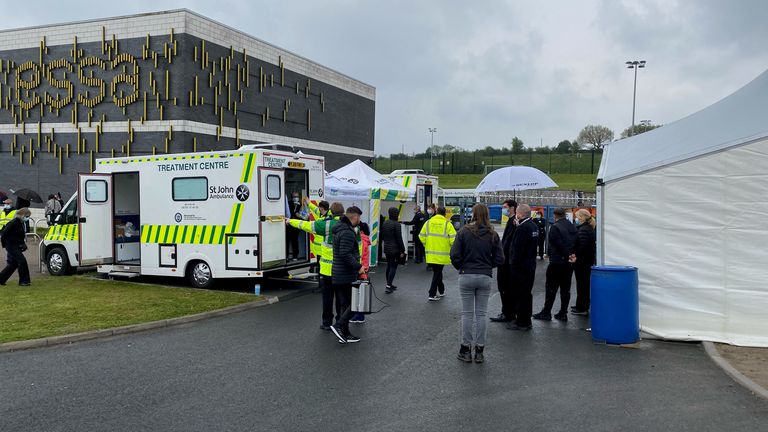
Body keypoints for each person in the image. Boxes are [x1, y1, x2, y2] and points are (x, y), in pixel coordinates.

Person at [450, 204, 504, 363]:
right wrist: (488, 266)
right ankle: (480, 350)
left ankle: (465, 349)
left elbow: (454, 254)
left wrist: (461, 266)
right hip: (484, 275)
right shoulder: (493, 234)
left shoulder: (464, 232)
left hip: (466, 274)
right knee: (482, 314)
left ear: (473, 214)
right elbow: (500, 258)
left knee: (467, 314)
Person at [286, 202, 345, 330]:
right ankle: (340, 323)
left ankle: (327, 323)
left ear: (331, 211)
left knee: (327, 298)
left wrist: (290, 221)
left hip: (326, 270)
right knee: (341, 298)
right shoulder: (349, 224)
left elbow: (306, 225)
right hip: (342, 270)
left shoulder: (325, 224)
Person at [533, 208, 577, 322]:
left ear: (555, 215)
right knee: (565, 289)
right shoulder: (571, 226)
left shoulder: (555, 227)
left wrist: (565, 254)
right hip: (568, 262)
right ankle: (563, 312)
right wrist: (571, 255)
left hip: (557, 261)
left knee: (551, 288)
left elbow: (557, 244)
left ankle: (547, 311)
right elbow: (576, 241)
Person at [330, 206, 365, 344]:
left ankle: (344, 334)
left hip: (338, 273)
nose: (359, 221)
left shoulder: (339, 229)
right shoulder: (347, 232)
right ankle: (339, 326)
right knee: (355, 304)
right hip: (345, 274)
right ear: (354, 217)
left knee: (345, 304)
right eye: (359, 218)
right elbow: (345, 254)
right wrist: (359, 266)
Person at [507, 204, 539, 331]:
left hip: (520, 267)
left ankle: (522, 321)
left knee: (520, 294)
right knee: (526, 294)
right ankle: (526, 319)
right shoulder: (533, 226)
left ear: (519, 214)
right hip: (530, 265)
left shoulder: (523, 228)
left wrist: (513, 264)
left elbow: (518, 249)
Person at [419, 206, 456, 301]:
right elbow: (454, 240)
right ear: (445, 214)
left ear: (436, 212)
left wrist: (426, 245)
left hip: (430, 253)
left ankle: (442, 290)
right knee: (437, 272)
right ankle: (431, 293)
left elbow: (421, 236)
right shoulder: (447, 224)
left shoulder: (428, 222)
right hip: (442, 254)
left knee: (437, 272)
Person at [490, 199, 517, 323]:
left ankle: (508, 313)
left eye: (505, 207)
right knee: (505, 287)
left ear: (512, 208)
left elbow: (509, 243)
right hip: (505, 260)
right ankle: (507, 311)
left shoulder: (514, 222)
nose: (503, 209)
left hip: (506, 262)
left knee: (505, 287)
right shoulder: (511, 221)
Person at [570, 209, 597, 316]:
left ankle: (582, 307)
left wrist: (574, 255)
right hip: (586, 260)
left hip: (583, 262)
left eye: (577, 216)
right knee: (583, 284)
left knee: (582, 285)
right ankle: (580, 304)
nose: (575, 219)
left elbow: (581, 246)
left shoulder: (584, 230)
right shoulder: (587, 228)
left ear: (581, 217)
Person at [0, 208, 31, 286]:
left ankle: (1, 279)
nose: (28, 218)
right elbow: (4, 234)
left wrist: (23, 244)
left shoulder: (20, 223)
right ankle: (24, 281)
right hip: (11, 245)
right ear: (22, 215)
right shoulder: (13, 223)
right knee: (22, 261)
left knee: (13, 264)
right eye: (27, 216)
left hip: (15, 245)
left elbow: (20, 236)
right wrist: (4, 245)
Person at [380, 207, 405, 293]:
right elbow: (399, 238)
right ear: (397, 215)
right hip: (395, 249)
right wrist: (403, 250)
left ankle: (389, 283)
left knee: (389, 266)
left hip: (386, 247)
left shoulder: (385, 222)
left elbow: (382, 235)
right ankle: (388, 285)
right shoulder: (397, 224)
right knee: (393, 267)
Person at [350, 222, 371, 324]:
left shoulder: (361, 239)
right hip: (364, 269)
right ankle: (359, 316)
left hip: (360, 270)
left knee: (357, 293)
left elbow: (360, 256)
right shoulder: (365, 238)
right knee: (360, 293)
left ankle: (358, 316)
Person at [304, 197, 330, 273]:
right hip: (320, 249)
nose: (318, 209)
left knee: (322, 266)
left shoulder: (326, 218)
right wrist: (309, 203)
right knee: (320, 265)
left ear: (322, 208)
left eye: (319, 207)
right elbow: (314, 208)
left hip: (323, 248)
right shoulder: (322, 213)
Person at [286, 192, 303, 260]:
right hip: (288, 225)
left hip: (296, 225)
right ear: (292, 197)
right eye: (294, 196)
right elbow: (288, 213)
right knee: (287, 241)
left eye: (297, 196)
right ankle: (286, 256)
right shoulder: (288, 203)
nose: (296, 198)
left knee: (295, 241)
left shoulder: (301, 205)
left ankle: (295, 256)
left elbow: (303, 215)